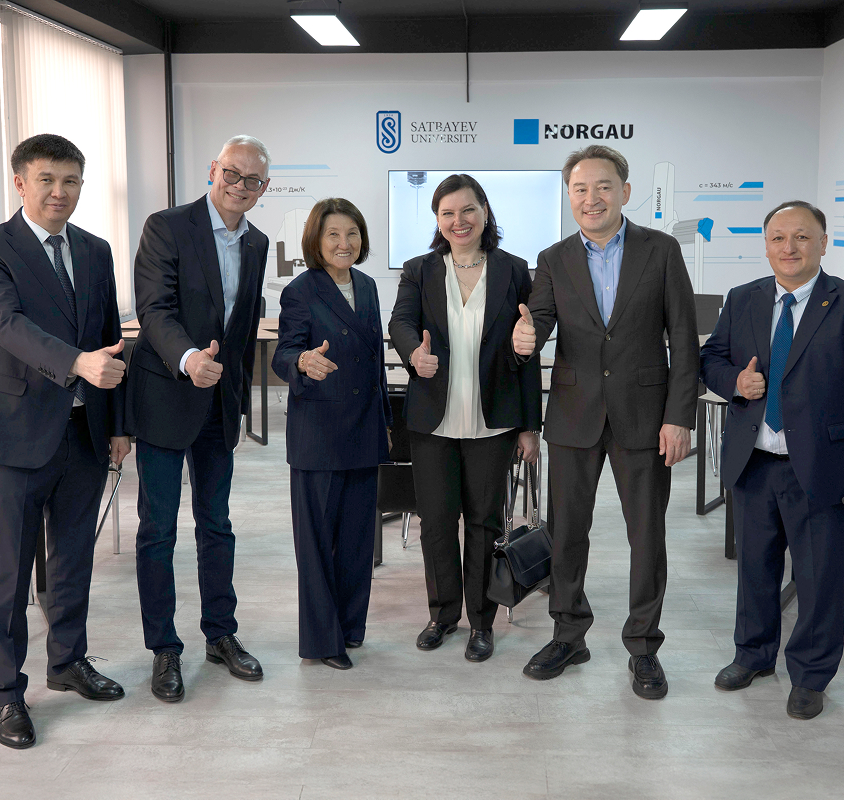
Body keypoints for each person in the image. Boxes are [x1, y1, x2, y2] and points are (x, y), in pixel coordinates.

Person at [0, 133, 131, 749]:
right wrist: (77, 362)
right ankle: (5, 692)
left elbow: (110, 336)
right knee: (8, 572)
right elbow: (7, 326)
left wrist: (118, 423)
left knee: (73, 558)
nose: (60, 192)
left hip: (84, 431)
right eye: (47, 180)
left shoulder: (95, 249)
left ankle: (68, 661)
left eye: (71, 181)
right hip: (15, 432)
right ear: (20, 183)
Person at [512, 145, 698, 698]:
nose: (591, 198)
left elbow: (683, 337)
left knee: (647, 535)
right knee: (568, 533)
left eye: (602, 187)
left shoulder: (661, 250)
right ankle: (569, 635)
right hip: (574, 414)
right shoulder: (552, 258)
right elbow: (539, 320)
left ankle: (643, 647)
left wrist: (679, 417)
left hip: (645, 415)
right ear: (568, 195)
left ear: (625, 192)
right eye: (580, 189)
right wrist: (526, 337)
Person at [699, 200, 844, 720]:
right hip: (754, 462)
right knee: (755, 571)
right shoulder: (743, 298)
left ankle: (810, 676)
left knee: (820, 578)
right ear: (766, 246)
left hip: (826, 468)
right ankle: (753, 656)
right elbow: (711, 359)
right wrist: (735, 382)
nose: (789, 248)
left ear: (823, 243)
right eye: (778, 238)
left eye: (802, 237)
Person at [126, 135, 270, 701]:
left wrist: (232, 391)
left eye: (252, 180)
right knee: (158, 530)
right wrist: (188, 359)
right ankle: (164, 648)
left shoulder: (256, 242)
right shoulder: (167, 227)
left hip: (218, 404)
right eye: (231, 173)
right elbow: (154, 308)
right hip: (166, 395)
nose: (239, 186)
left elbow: (243, 327)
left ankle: (221, 634)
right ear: (213, 169)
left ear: (263, 188)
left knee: (217, 525)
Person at [389, 173, 542, 662]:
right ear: (437, 220)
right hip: (433, 419)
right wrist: (414, 354)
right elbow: (401, 321)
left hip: (492, 420)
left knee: (483, 523)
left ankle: (481, 622)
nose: (459, 221)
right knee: (436, 522)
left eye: (468, 209)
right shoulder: (419, 270)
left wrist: (530, 426)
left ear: (485, 212)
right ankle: (441, 615)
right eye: (448, 213)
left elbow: (528, 350)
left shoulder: (513, 270)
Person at [272, 198, 391, 670]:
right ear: (316, 242)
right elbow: (283, 352)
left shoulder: (367, 285)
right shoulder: (301, 291)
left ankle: (350, 626)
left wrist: (384, 421)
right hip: (318, 433)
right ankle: (323, 641)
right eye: (333, 235)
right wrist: (302, 361)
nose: (345, 243)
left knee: (358, 540)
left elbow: (376, 364)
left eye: (352, 233)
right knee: (318, 544)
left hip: (363, 427)